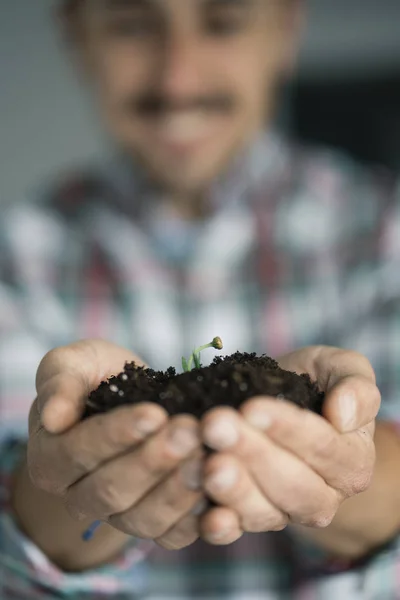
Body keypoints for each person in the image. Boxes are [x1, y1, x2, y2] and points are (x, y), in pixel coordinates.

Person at [1, 0, 400, 598]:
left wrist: (341, 452)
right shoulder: (18, 253)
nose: (178, 77)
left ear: (287, 28)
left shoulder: (383, 230)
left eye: (225, 22)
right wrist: (69, 467)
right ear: (76, 37)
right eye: (132, 25)